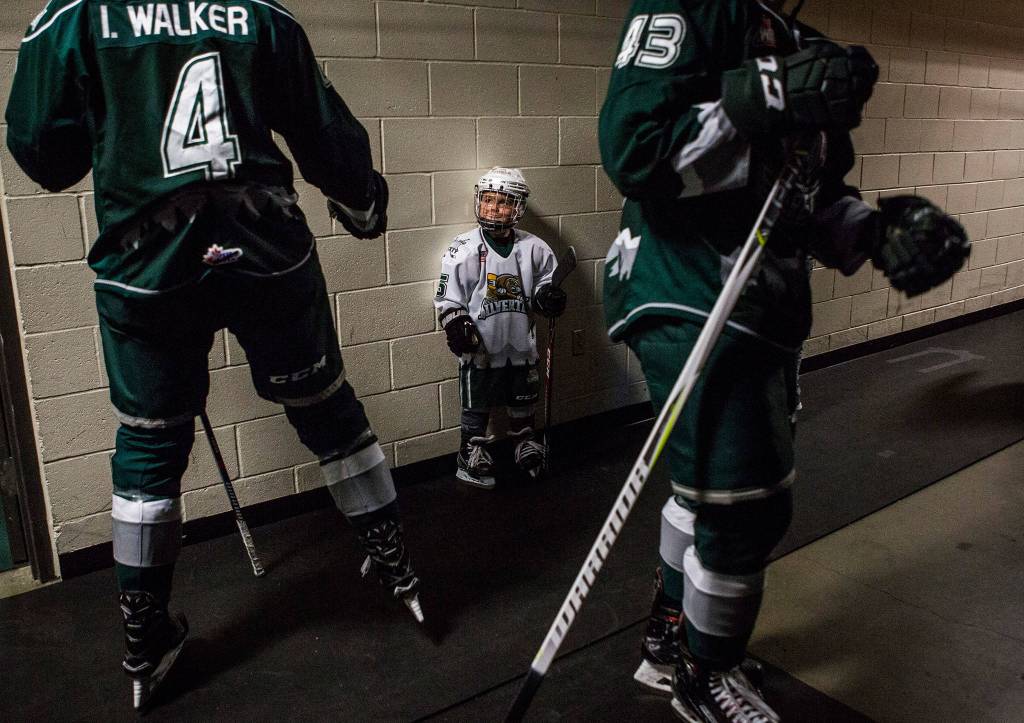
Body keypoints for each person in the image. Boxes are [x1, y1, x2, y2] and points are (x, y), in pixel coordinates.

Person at [6, 0, 423, 710]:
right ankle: (398, 566)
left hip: (147, 261)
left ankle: (144, 639)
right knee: (326, 407)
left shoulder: (72, 15)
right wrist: (363, 203)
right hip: (264, 241)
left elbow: (44, 153)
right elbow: (323, 130)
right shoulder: (260, 14)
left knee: (148, 444)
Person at [599, 1, 969, 720]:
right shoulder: (694, 7)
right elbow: (633, 150)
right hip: (689, 290)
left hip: (758, 306)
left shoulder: (803, 45)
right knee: (745, 506)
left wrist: (876, 228)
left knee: (710, 489)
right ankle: (707, 675)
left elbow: (799, 201)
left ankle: (670, 640)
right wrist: (759, 97)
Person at [433, 168, 567, 489]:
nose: (494, 208)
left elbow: (543, 289)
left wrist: (549, 298)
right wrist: (456, 323)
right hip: (480, 346)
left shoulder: (535, 248)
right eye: (489, 200)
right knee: (477, 401)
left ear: (517, 207)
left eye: (503, 202)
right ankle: (471, 451)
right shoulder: (463, 247)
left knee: (523, 397)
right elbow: (448, 296)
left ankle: (524, 443)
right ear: (479, 201)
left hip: (520, 343)